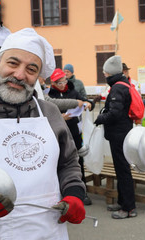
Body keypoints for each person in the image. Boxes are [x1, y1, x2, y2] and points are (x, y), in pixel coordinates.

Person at [0, 28, 86, 240]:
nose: (19, 75)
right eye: (13, 63)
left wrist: (74, 194)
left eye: (31, 69)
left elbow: (68, 162)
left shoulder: (50, 113)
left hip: (50, 233)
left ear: (37, 77)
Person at [94, 55, 137, 219]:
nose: (104, 75)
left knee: (123, 170)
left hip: (119, 133)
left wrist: (100, 118)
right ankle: (122, 202)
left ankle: (128, 208)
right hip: (122, 131)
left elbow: (115, 113)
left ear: (110, 73)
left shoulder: (118, 88)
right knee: (120, 169)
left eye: (105, 73)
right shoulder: (123, 84)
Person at [48, 68, 93, 206]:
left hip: (74, 132)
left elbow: (85, 101)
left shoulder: (73, 91)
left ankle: (81, 192)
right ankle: (60, 192)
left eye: (63, 81)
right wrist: (59, 117)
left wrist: (89, 104)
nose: (62, 85)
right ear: (53, 83)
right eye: (58, 83)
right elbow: (47, 112)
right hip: (58, 134)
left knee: (78, 162)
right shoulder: (49, 95)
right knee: (58, 163)